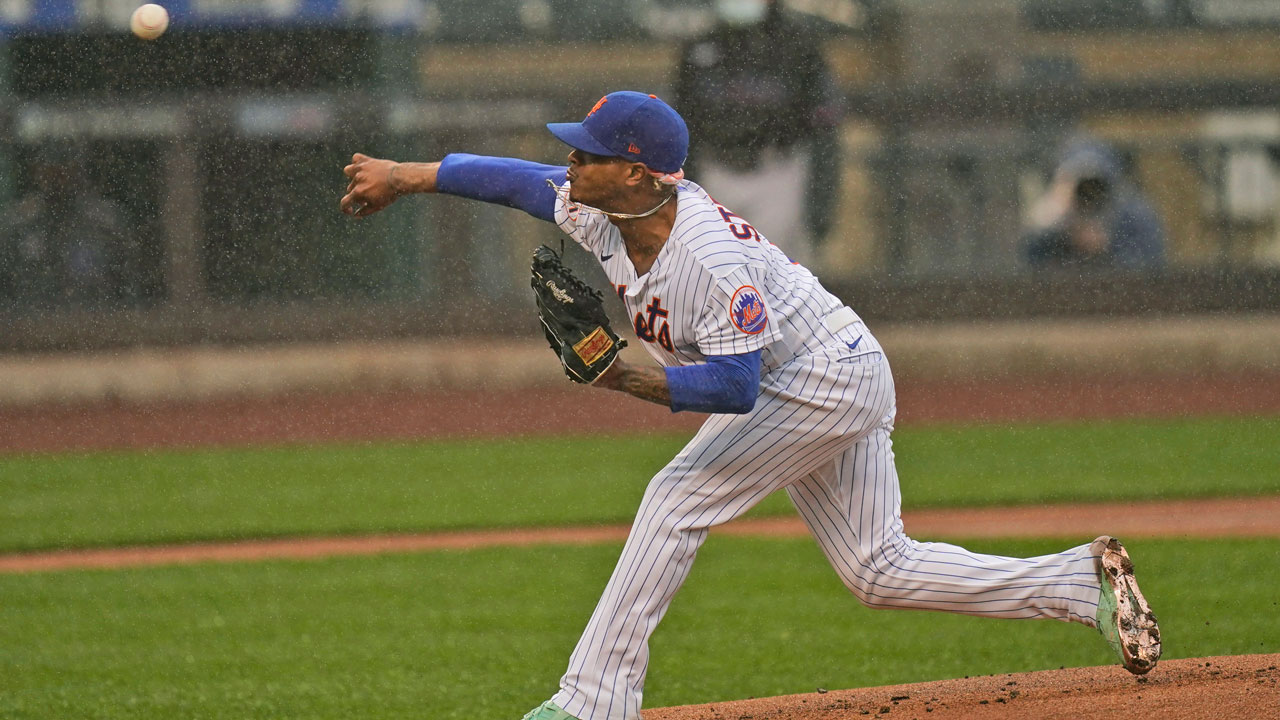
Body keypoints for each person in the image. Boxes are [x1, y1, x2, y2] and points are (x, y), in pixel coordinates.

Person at [340, 91, 1161, 720]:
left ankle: (594, 700)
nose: (571, 167)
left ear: (636, 172)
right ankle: (1074, 584)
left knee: (675, 497)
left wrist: (622, 376)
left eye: (587, 156)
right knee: (877, 569)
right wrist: (407, 178)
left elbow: (735, 391)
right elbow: (519, 182)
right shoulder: (606, 207)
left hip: (822, 378)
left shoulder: (704, 258)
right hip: (825, 367)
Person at [673, 0, 842, 270]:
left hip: (777, 175)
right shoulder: (701, 46)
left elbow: (824, 127)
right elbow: (683, 123)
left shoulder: (798, 46)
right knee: (715, 278)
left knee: (778, 280)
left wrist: (821, 203)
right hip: (715, 173)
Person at [0, 148, 130, 307]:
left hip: (95, 320)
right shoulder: (17, 223)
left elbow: (127, 289)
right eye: (48, 169)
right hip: (31, 320)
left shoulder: (104, 221)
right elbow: (9, 289)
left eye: (64, 168)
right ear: (36, 171)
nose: (56, 176)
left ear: (77, 170)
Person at [1023, 136, 1166, 270]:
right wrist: (1055, 222)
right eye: (1081, 182)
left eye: (1097, 184)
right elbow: (1027, 262)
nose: (1089, 192)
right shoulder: (1054, 214)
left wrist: (1108, 247)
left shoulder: (1133, 215)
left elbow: (1151, 268)